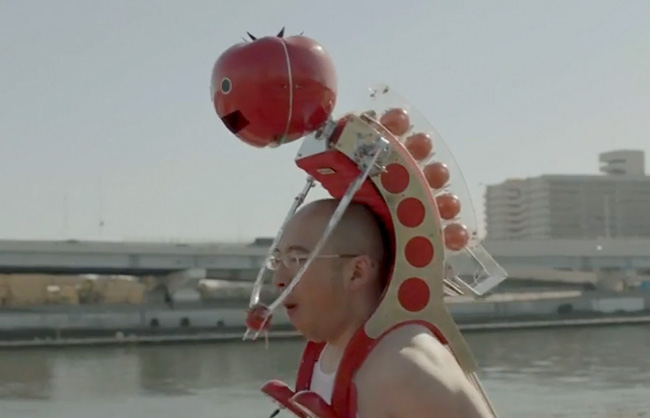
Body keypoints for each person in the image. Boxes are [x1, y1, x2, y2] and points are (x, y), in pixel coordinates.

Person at [270, 198, 495, 418]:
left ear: (356, 272)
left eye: (296, 260)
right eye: (277, 260)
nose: (278, 279)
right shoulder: (325, 352)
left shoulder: (403, 365)